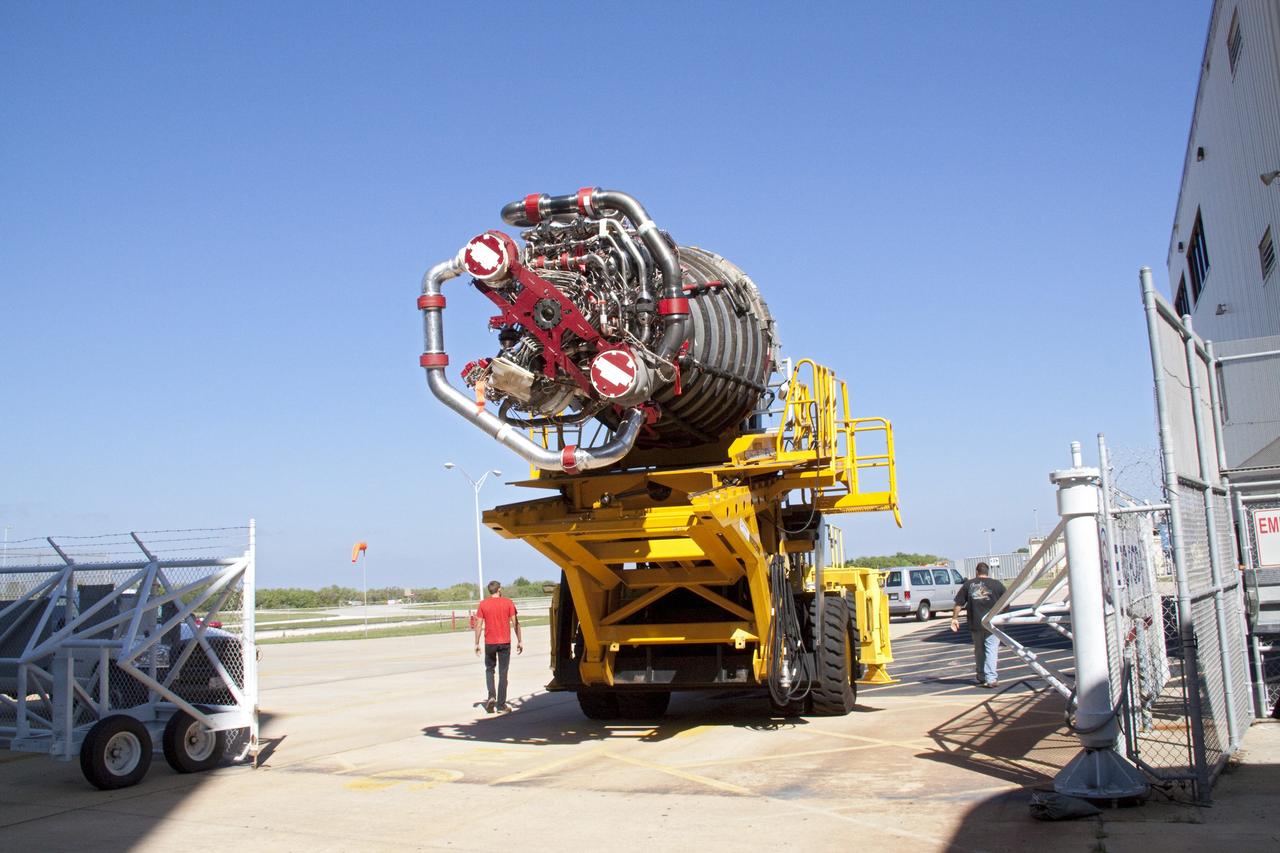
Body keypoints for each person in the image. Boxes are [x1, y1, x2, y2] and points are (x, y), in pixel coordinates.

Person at [950, 562, 1007, 688]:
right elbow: (1006, 603)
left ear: (977, 572)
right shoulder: (997, 585)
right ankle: (991, 678)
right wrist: (1002, 614)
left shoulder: (968, 585)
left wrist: (954, 618)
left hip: (975, 623)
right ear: (987, 572)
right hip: (993, 623)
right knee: (991, 650)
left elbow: (959, 603)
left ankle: (981, 676)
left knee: (979, 650)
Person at [474, 580, 522, 713]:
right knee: (503, 673)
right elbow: (515, 622)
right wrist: (520, 640)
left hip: (490, 642)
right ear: (499, 589)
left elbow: (478, 625)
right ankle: (501, 705)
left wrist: (476, 643)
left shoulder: (483, 604)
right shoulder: (508, 602)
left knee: (489, 670)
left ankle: (491, 696)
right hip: (505, 642)